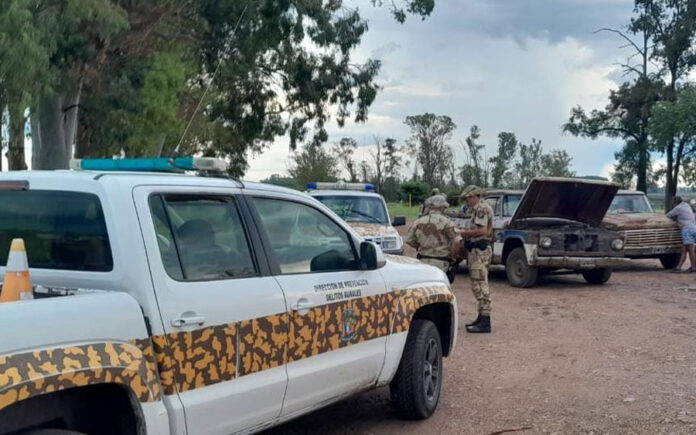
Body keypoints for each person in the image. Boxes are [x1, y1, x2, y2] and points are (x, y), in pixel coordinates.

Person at [459, 185, 494, 333]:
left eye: (468, 198)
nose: (466, 201)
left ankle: (485, 320)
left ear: (474, 196)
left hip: (480, 250)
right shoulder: (477, 208)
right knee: (477, 283)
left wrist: (464, 233)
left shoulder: (481, 208)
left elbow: (482, 230)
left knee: (480, 284)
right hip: (476, 250)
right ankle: (481, 317)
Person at [406, 195, 459, 279]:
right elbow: (456, 241)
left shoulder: (418, 222)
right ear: (441, 207)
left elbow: (409, 240)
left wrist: (421, 246)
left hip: (423, 261)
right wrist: (453, 256)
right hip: (441, 262)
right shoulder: (447, 222)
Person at [666, 196, 696, 273]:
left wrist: (675, 218)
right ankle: (678, 267)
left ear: (675, 202)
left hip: (687, 230)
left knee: (691, 249)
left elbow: (668, 215)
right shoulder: (686, 205)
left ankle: (693, 267)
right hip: (694, 227)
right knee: (685, 249)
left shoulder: (678, 208)